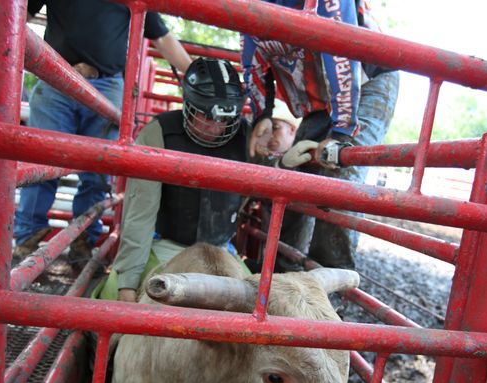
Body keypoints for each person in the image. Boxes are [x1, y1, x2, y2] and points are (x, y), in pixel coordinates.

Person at [12, 1, 193, 268]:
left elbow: (162, 37)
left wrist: (196, 75)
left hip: (105, 83)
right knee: (41, 162)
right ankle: (27, 240)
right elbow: (17, 14)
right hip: (56, 76)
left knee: (98, 170)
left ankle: (83, 240)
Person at [113, 58, 249, 303]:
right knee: (113, 304)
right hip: (166, 245)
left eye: (223, 119)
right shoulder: (160, 133)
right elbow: (140, 212)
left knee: (262, 308)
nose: (216, 126)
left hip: (223, 250)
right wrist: (127, 283)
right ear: (188, 104)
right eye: (206, 115)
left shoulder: (247, 136)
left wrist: (285, 162)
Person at [242, 0, 361, 271]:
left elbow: (343, 53)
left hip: (362, 81)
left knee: (338, 176)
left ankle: (332, 283)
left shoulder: (326, 4)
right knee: (291, 182)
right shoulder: (253, 8)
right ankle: (279, 275)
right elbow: (251, 55)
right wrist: (263, 115)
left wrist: (341, 132)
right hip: (318, 96)